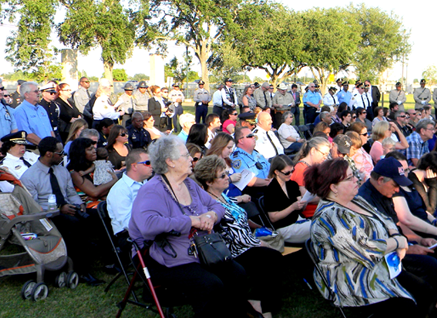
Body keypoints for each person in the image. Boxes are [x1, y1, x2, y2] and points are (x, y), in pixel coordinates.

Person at [128, 136, 257, 317]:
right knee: (211, 284)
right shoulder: (152, 190)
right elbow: (148, 226)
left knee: (237, 273)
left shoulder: (189, 183)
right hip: (164, 256)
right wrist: (192, 221)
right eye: (186, 155)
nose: (191, 159)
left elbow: (217, 206)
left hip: (200, 249)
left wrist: (211, 216)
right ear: (170, 162)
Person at [308, 158, 425, 317]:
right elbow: (365, 249)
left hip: (381, 264)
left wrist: (396, 235)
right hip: (352, 280)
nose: (357, 179)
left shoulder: (355, 200)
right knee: (408, 307)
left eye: (354, 174)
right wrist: (398, 241)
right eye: (350, 178)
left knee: (425, 286)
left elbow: (386, 220)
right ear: (334, 187)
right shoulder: (329, 218)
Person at [192, 155, 284, 316]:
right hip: (233, 251)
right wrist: (258, 243)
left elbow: (234, 211)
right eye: (222, 176)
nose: (228, 177)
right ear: (209, 182)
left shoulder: (223, 196)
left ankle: (261, 304)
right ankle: (263, 306)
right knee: (272, 258)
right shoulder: (208, 204)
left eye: (226, 173)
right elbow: (233, 232)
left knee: (271, 259)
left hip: (245, 244)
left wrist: (241, 200)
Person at [20, 137, 102, 285]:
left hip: (67, 208)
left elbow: (70, 193)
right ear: (49, 154)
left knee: (93, 217)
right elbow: (33, 206)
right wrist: (59, 208)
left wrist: (79, 204)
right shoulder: (29, 176)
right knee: (74, 225)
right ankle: (82, 271)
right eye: (60, 153)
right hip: (46, 216)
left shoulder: (61, 171)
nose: (63, 156)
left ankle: (100, 258)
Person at [261, 155, 310, 243]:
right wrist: (292, 207)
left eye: (292, 171)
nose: (291, 174)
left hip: (298, 221)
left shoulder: (292, 185)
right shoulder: (271, 190)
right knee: (318, 227)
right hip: (284, 228)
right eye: (287, 173)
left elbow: (300, 208)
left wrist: (304, 201)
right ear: (277, 172)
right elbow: (273, 218)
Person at [106, 149, 152, 234]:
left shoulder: (149, 184)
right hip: (129, 235)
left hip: (151, 228)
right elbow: (127, 223)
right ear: (134, 166)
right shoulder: (120, 190)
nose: (152, 166)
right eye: (148, 163)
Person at [68, 137, 118, 206]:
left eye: (94, 148)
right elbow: (94, 192)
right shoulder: (75, 172)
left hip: (102, 199)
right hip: (88, 205)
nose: (94, 151)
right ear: (80, 152)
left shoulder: (96, 165)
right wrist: (114, 180)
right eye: (90, 149)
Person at [290, 137, 330, 218]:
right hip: (310, 214)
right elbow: (305, 198)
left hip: (320, 210)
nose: (325, 157)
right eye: (323, 154)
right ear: (313, 151)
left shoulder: (314, 167)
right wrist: (329, 196)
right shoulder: (300, 169)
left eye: (327, 155)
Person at [12, 82, 55, 146]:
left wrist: (54, 144)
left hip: (49, 148)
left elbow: (50, 130)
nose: (39, 93)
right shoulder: (20, 111)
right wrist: (45, 145)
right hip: (35, 149)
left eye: (38, 91)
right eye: (36, 91)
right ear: (26, 94)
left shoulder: (41, 109)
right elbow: (27, 134)